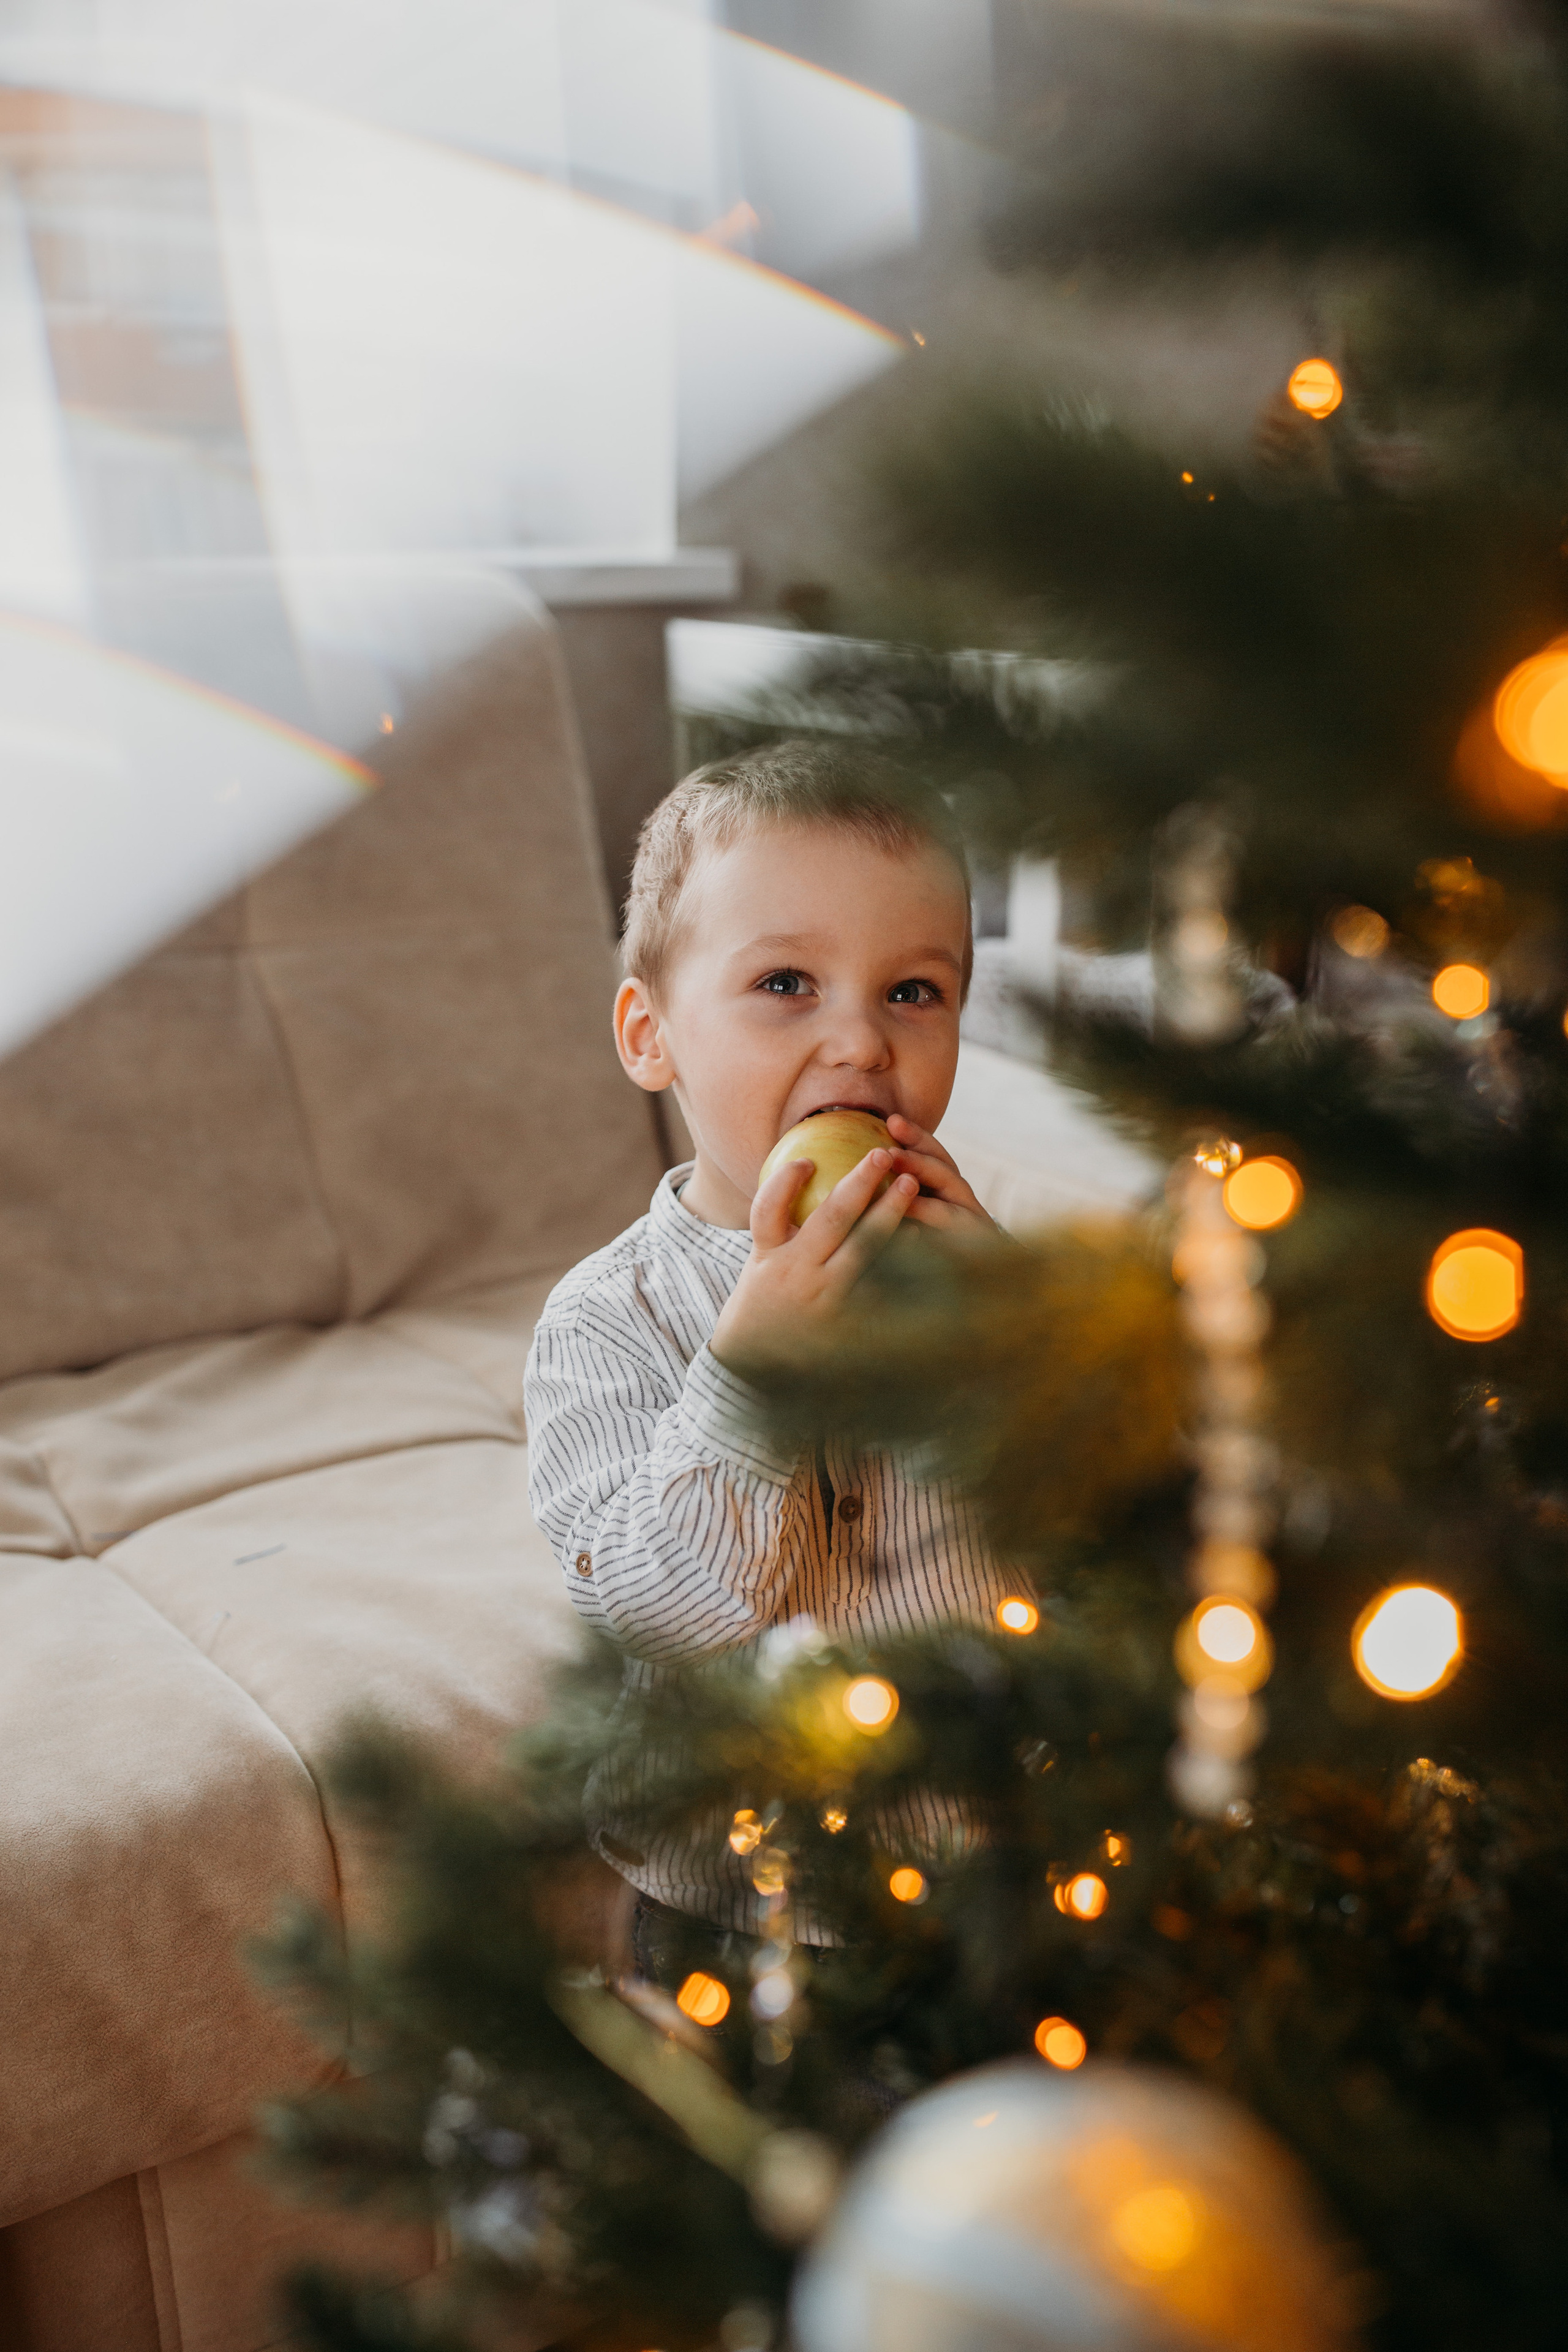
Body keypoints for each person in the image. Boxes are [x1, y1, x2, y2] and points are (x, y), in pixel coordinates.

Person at [523, 738, 1017, 1979]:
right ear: (651, 1035)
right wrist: (753, 1373)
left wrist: (1025, 1342)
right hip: (732, 1902)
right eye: (787, 982)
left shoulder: (969, 1273)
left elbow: (1091, 1537)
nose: (859, 1045)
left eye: (913, 992)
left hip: (980, 1871)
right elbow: (649, 1606)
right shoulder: (604, 1322)